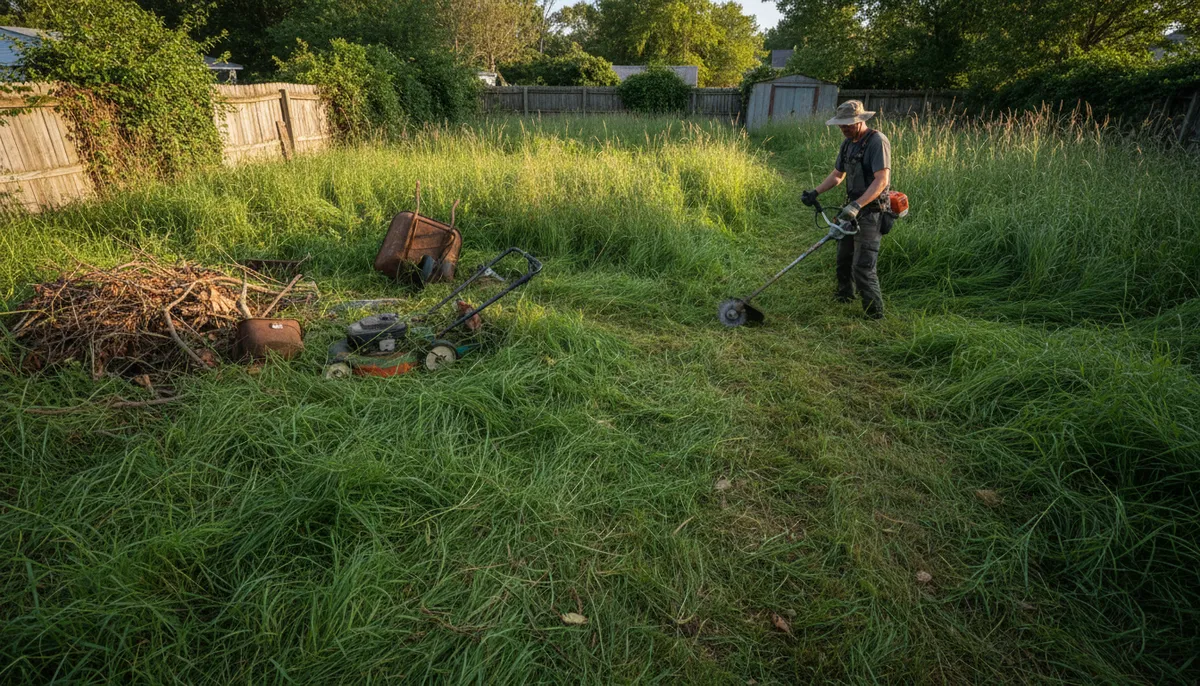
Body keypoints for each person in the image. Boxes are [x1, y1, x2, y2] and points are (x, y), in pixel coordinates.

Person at [801, 100, 891, 319]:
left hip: (871, 211)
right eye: (840, 124)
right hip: (850, 209)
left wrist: (858, 205)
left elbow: (881, 180)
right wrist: (815, 192)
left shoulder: (877, 141)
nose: (843, 128)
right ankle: (844, 295)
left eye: (847, 124)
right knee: (843, 257)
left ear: (860, 120)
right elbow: (837, 175)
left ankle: (874, 314)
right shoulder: (848, 143)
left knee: (863, 266)